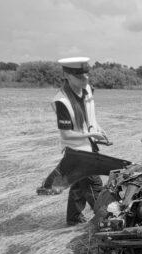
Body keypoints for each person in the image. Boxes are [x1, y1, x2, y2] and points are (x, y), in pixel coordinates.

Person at [37, 57, 107, 226]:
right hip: (77, 150)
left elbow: (89, 113)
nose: (85, 80)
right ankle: (106, 220)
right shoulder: (61, 101)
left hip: (89, 146)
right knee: (94, 185)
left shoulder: (87, 89)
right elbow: (67, 135)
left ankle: (74, 218)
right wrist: (91, 136)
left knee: (79, 184)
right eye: (80, 77)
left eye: (86, 75)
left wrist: (97, 127)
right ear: (67, 75)